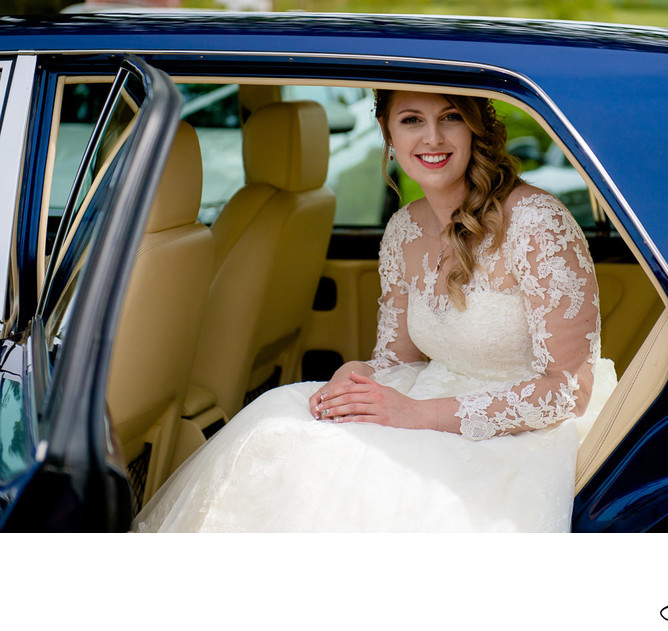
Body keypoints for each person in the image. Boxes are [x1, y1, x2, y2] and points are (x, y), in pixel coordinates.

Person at [133, 90, 617, 533]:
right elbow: (397, 363)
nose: (432, 138)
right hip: (423, 403)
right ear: (388, 133)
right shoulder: (404, 230)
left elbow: (566, 392)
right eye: (411, 120)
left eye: (450, 118)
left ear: (475, 128)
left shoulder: (537, 223)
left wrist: (417, 415)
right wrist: (355, 375)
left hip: (518, 436)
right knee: (277, 428)